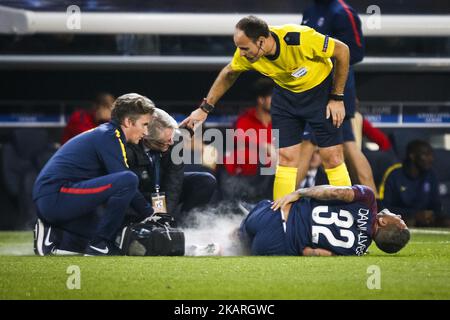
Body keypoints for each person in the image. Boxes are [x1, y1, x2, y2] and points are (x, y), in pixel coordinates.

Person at [181, 15, 352, 202]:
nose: (241, 53)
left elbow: (343, 51)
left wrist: (337, 97)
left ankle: (347, 209)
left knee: (332, 157)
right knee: (286, 158)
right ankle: (281, 217)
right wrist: (204, 109)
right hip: (286, 97)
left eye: (244, 48)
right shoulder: (247, 54)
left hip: (320, 94)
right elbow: (229, 73)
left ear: (261, 41)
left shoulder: (299, 38)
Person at [33, 93, 155, 256]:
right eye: (144, 124)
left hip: (58, 197)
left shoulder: (108, 134)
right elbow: (125, 180)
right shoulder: (109, 135)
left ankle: (54, 231)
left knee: (106, 227)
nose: (146, 132)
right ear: (128, 121)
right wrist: (150, 214)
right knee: (128, 179)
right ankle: (99, 245)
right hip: (54, 196)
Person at [298, 0, 377, 194]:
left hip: (336, 89)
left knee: (308, 143)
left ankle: (280, 206)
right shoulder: (311, 10)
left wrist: (338, 94)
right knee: (348, 145)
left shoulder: (343, 12)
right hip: (313, 85)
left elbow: (356, 53)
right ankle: (374, 207)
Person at [236, 184, 410, 256]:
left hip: (275, 216)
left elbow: (335, 192)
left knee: (238, 235)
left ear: (384, 222)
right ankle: (220, 248)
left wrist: (298, 193)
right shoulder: (356, 250)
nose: (399, 216)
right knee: (240, 250)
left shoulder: (368, 199)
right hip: (276, 244)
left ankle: (229, 237)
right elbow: (311, 252)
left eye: (399, 220)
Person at [126, 108, 217, 224]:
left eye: (171, 139)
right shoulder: (130, 143)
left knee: (205, 181)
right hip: (139, 193)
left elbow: (174, 183)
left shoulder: (175, 140)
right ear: (145, 137)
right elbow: (128, 188)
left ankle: (185, 228)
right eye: (164, 142)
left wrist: (165, 218)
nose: (170, 144)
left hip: (161, 190)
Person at [379, 140, 444, 227]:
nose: (431, 158)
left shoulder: (431, 174)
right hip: (401, 218)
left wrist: (432, 214)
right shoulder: (394, 174)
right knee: (410, 221)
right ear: (412, 156)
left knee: (446, 221)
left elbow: (437, 205)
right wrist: (414, 215)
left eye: (431, 155)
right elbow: (383, 207)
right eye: (426, 155)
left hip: (425, 220)